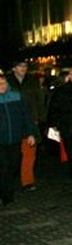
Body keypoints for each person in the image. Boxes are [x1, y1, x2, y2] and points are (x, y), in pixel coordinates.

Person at [6, 59, 46, 192]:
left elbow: (39, 100)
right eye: (19, 65)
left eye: (25, 66)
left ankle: (27, 181)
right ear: (13, 68)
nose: (23, 68)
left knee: (29, 153)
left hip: (30, 121)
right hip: (12, 121)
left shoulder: (32, 81)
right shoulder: (6, 81)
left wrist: (40, 117)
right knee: (12, 154)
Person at [0, 74, 37, 206]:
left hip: (16, 138)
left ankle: (4, 187)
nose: (2, 86)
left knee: (14, 164)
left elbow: (26, 116)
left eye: (3, 83)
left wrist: (31, 133)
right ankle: (6, 195)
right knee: (4, 166)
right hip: (1, 141)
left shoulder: (17, 97)